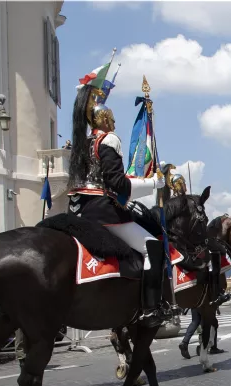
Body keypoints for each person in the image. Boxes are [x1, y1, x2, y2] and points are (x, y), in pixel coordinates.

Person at [66, 64, 168, 323]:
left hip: (79, 209)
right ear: (105, 120)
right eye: (111, 119)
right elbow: (117, 184)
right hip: (103, 210)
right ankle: (150, 308)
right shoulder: (109, 140)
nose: (114, 122)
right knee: (153, 248)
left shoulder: (83, 143)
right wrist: (154, 184)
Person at [167, 172, 230, 307]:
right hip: (177, 241)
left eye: (183, 184)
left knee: (217, 250)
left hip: (194, 240)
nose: (183, 186)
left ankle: (216, 290)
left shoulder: (193, 200)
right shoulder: (172, 203)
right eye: (181, 184)